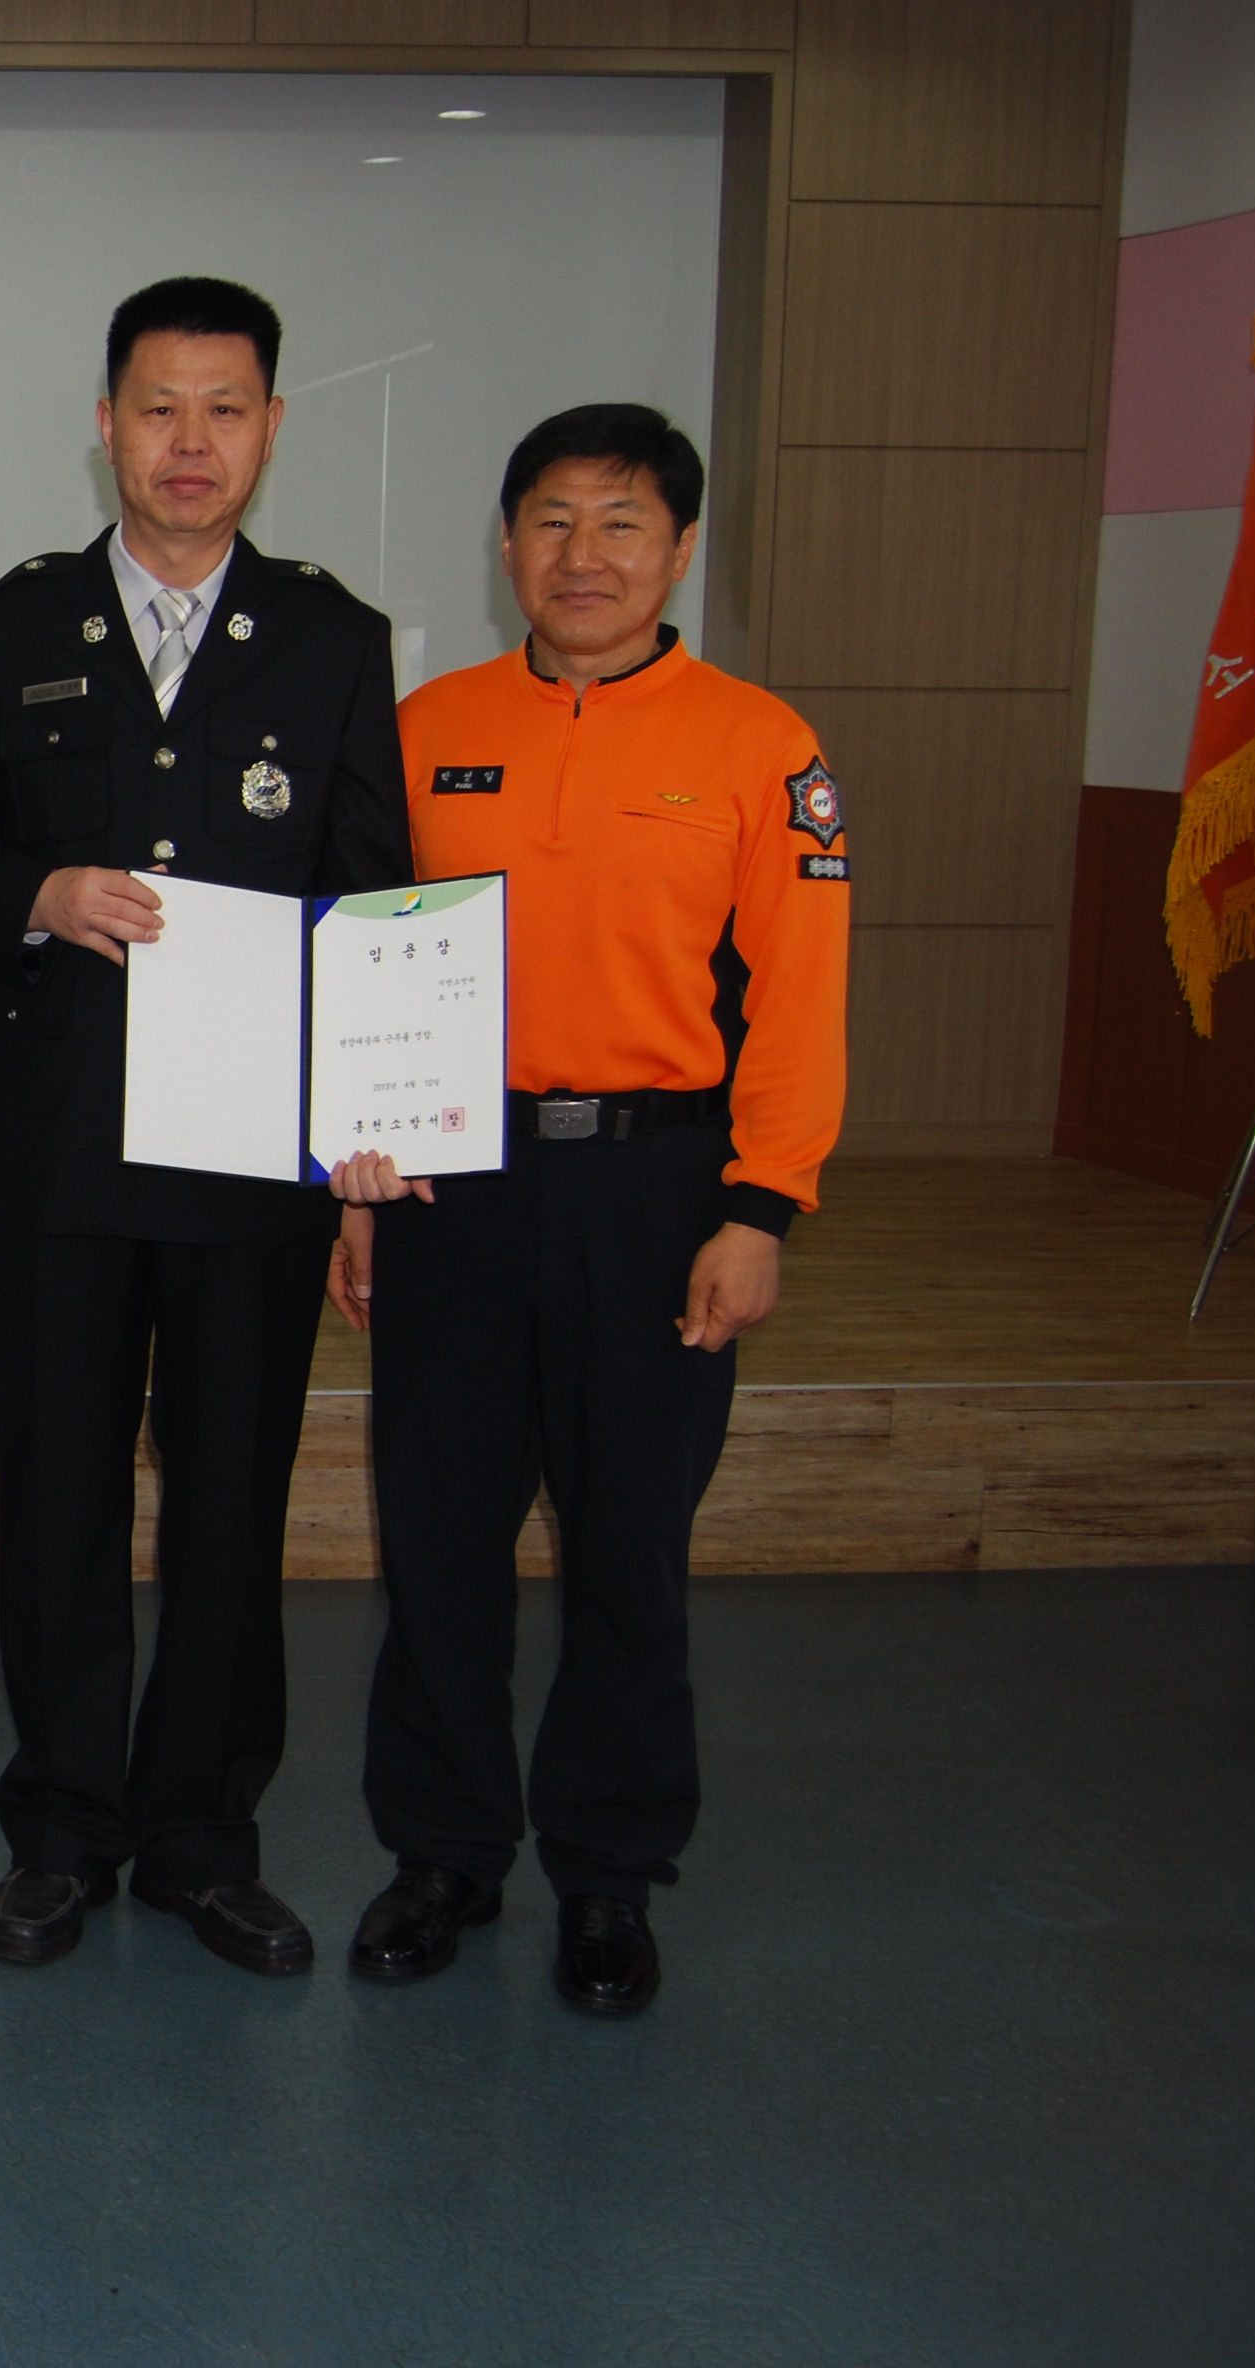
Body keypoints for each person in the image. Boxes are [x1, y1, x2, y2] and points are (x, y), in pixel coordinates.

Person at [0, 277, 409, 1976]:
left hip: (257, 1163)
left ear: (271, 427)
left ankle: (201, 1833)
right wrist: (36, 894)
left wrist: (363, 1151)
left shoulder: (335, 640)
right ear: (106, 424)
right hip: (64, 1154)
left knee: (228, 1502)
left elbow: (369, 903)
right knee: (55, 1496)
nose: (191, 443)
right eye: (159, 408)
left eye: (225, 409)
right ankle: (61, 1827)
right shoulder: (11, 626)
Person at [326, 403, 846, 2016]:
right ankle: (444, 1852)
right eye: (552, 521)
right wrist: (358, 1174)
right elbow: (365, 961)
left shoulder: (761, 747)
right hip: (455, 1184)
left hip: (659, 1188)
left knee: (629, 1547)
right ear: (506, 546)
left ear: (680, 551)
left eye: (623, 525)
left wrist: (760, 1209)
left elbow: (801, 999)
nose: (584, 556)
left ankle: (610, 1873)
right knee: (439, 1538)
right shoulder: (425, 729)